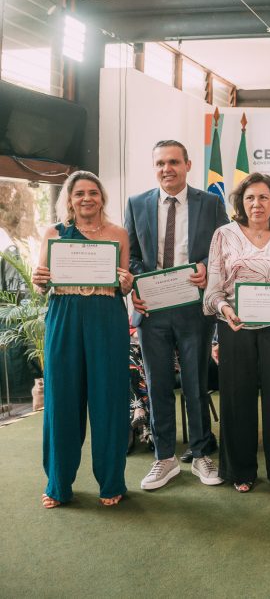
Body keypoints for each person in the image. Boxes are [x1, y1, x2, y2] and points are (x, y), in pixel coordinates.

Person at [124, 139, 228, 490]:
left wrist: (203, 267)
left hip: (193, 309)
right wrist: (139, 282)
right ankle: (164, 458)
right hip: (151, 311)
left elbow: (224, 249)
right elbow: (131, 255)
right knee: (158, 386)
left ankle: (200, 454)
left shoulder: (211, 203)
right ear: (154, 168)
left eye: (173, 162)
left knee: (197, 384)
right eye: (160, 163)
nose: (166, 169)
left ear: (188, 165)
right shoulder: (136, 204)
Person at [32, 171, 134, 508]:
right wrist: (39, 279)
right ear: (70, 199)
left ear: (102, 197)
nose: (87, 198)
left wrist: (127, 282)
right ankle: (58, 484)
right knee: (62, 400)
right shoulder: (54, 233)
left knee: (109, 399)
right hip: (64, 314)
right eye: (79, 193)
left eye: (93, 192)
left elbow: (123, 284)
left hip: (107, 316)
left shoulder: (118, 234)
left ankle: (111, 481)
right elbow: (40, 282)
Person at [203, 172, 270, 492]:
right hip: (235, 325)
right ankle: (241, 472)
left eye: (263, 197)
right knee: (237, 400)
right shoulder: (223, 234)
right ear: (241, 202)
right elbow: (213, 289)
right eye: (250, 198)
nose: (257, 204)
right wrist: (225, 311)